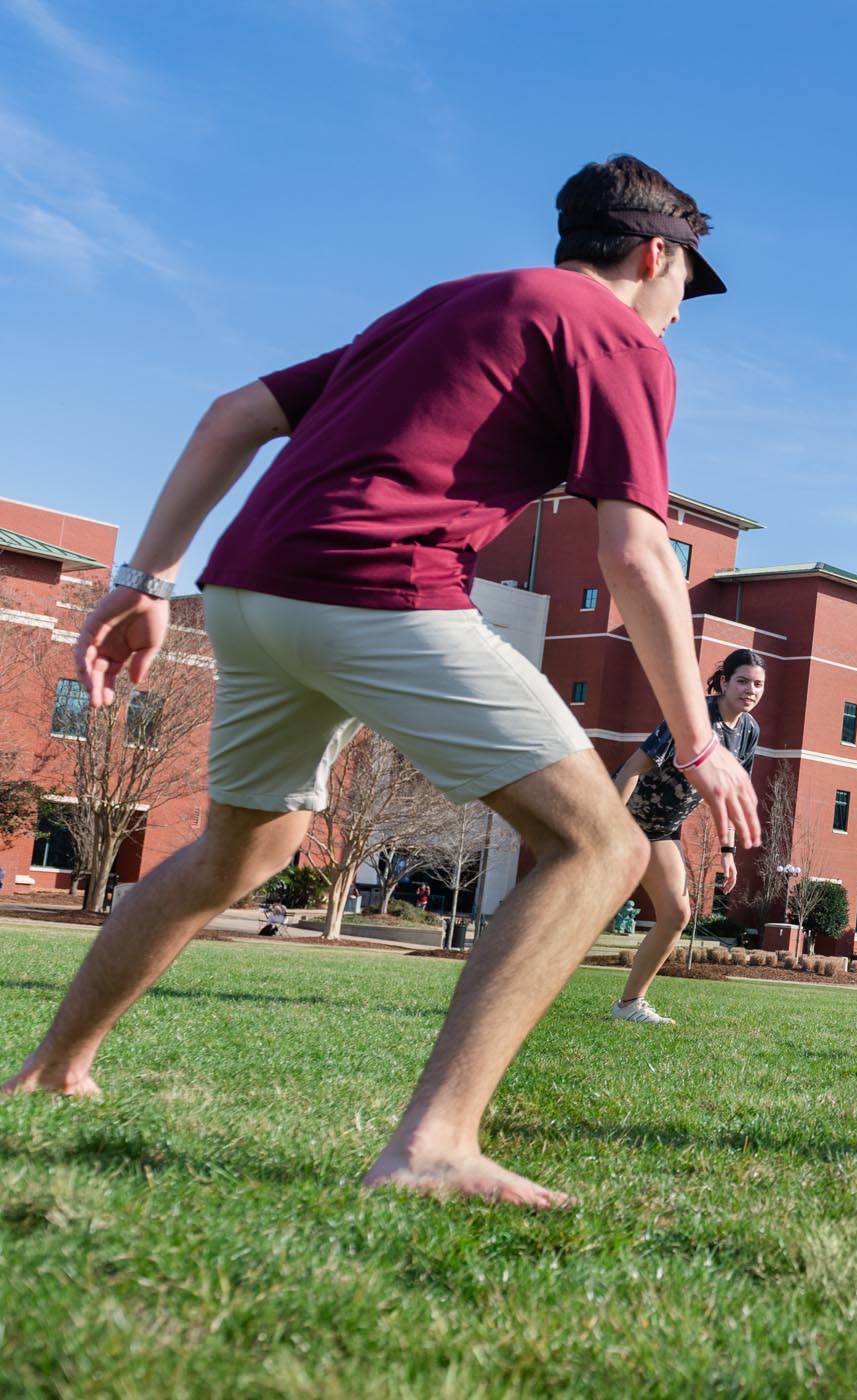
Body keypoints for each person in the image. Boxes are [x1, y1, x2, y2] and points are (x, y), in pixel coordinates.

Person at [0, 155, 761, 1211]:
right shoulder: (621, 336)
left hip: (251, 593)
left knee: (247, 846)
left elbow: (234, 411)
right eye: (686, 286)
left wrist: (146, 581)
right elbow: (635, 554)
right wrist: (702, 739)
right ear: (655, 255)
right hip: (381, 590)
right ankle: (436, 1142)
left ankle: (53, 1066)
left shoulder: (445, 305)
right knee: (603, 844)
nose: (680, 311)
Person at [610, 649, 766, 1024]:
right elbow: (632, 768)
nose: (750, 690)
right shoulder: (694, 718)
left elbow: (725, 793)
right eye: (742, 681)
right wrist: (608, 829)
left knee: (677, 914)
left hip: (662, 831)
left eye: (758, 684)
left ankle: (629, 1005)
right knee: (579, 907)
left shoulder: (748, 732)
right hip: (625, 820)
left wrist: (727, 850)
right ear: (724, 681)